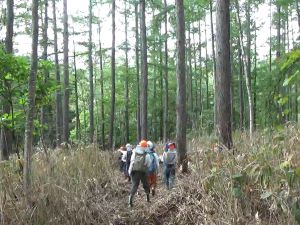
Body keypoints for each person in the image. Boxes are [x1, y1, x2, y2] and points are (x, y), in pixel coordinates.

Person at [128, 140, 152, 207]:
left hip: (134, 172)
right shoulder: (146, 155)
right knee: (146, 185)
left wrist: (129, 172)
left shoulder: (134, 152)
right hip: (143, 172)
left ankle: (130, 202)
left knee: (134, 186)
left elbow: (131, 162)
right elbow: (148, 164)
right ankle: (148, 198)